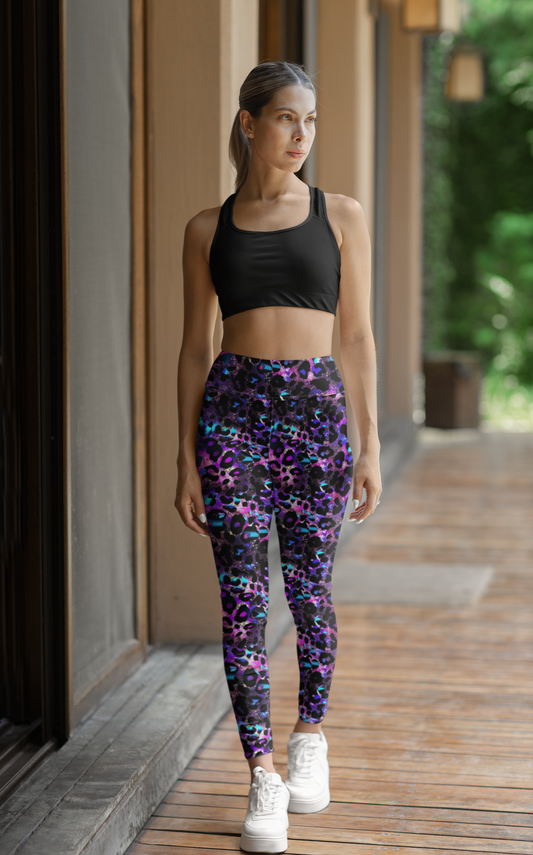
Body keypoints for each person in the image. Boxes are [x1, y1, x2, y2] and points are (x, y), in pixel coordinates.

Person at [175, 60, 382, 854]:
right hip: (233, 416)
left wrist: (366, 444)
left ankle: (309, 735)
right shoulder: (206, 227)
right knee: (240, 597)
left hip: (315, 417)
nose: (300, 135)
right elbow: (195, 350)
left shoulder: (341, 216)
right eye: (286, 119)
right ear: (248, 123)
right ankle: (260, 771)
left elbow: (358, 337)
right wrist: (184, 461)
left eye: (311, 122)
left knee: (307, 590)